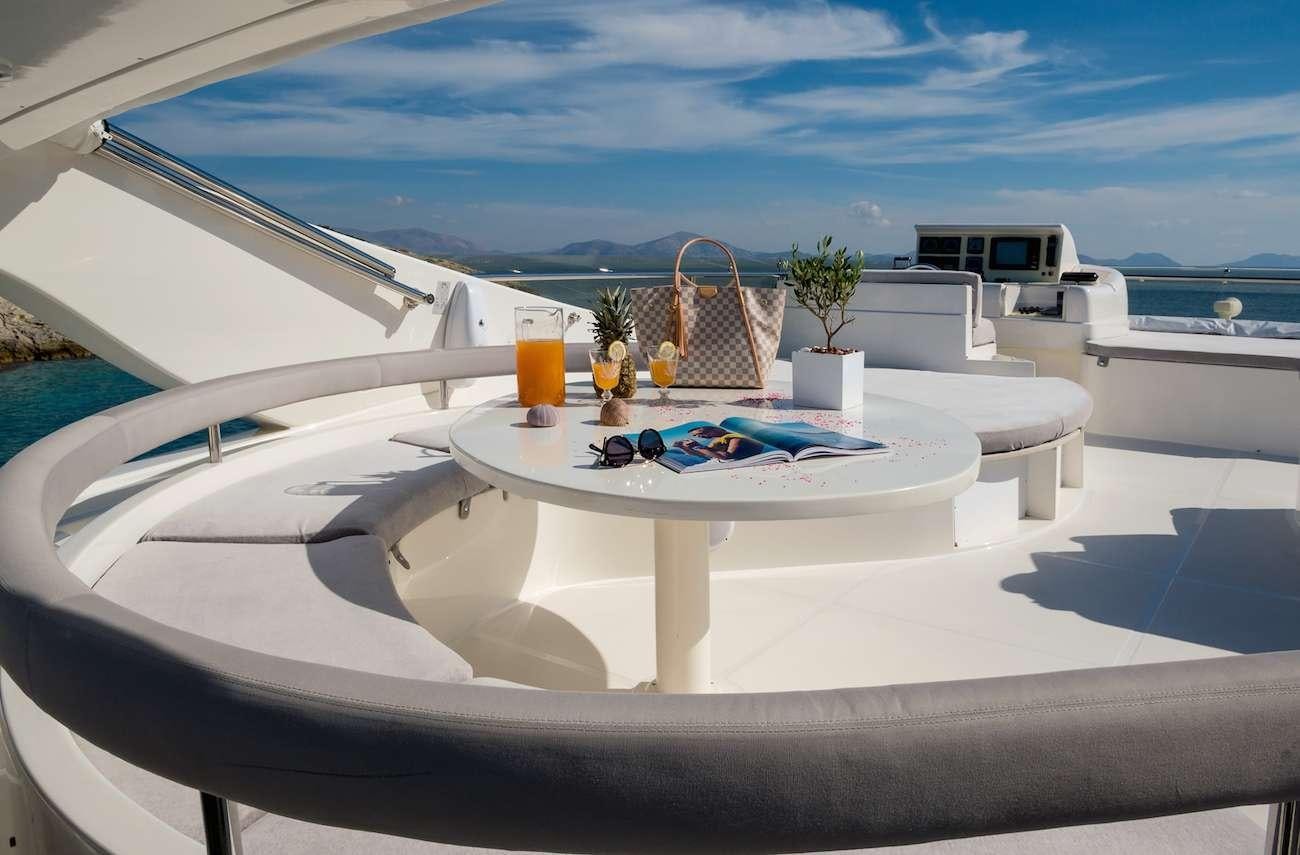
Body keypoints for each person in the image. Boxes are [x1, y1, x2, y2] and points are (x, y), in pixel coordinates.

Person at [674, 425, 765, 462]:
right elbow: (705, 455)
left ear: (714, 429)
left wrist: (698, 446)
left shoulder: (735, 438)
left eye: (701, 433)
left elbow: (726, 457)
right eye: (697, 436)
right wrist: (683, 447)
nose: (700, 437)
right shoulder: (717, 440)